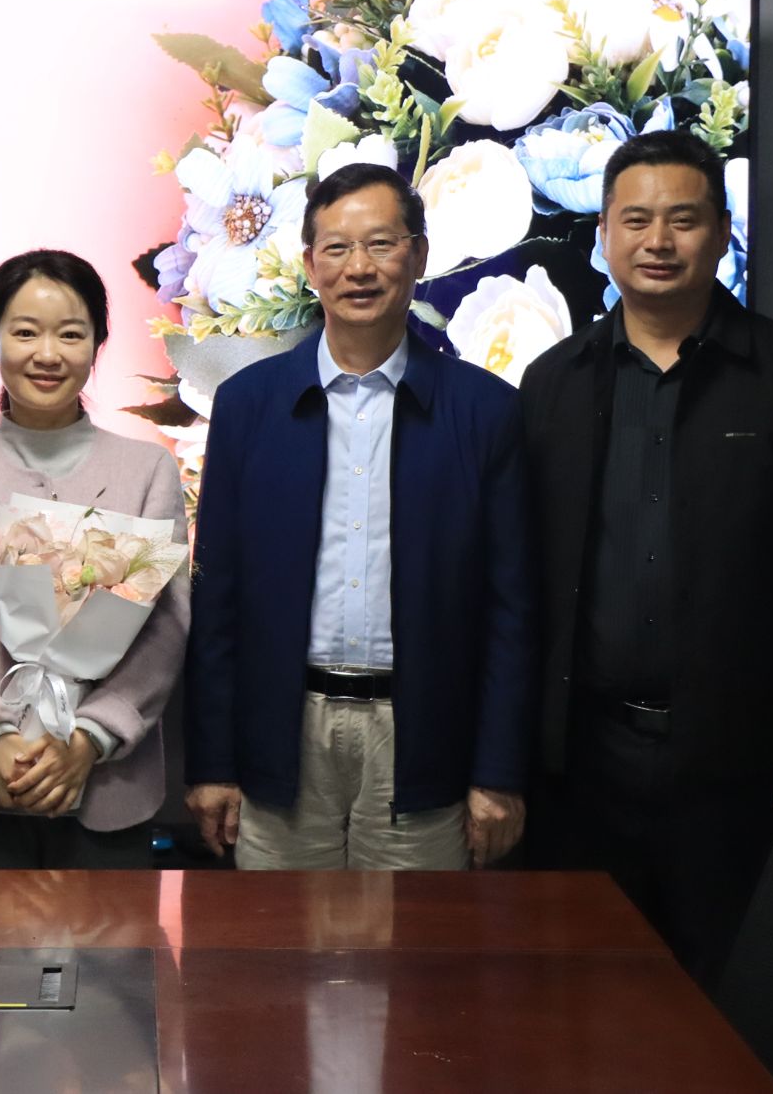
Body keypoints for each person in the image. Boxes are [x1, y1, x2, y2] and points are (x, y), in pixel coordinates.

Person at [517, 129, 773, 982]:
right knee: (584, 996)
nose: (659, 241)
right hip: (584, 764)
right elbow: (522, 578)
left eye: (683, 219)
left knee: (731, 995)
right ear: (604, 233)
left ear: (721, 232)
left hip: (741, 763)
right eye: (636, 220)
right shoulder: (553, 381)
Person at [182, 162, 533, 871]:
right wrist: (212, 762)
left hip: (423, 735)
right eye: (337, 248)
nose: (359, 268)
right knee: (275, 939)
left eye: (381, 243)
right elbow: (218, 597)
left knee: (414, 942)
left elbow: (512, 609)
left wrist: (497, 772)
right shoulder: (249, 405)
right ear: (310, 264)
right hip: (282, 731)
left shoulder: (486, 411)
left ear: (420, 255)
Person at [0, 249, 190, 868]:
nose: (48, 354)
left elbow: (164, 627)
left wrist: (90, 738)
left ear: (99, 343)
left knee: (108, 936)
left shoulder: (148, 470)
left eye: (71, 334)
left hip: (106, 790)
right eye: (26, 332)